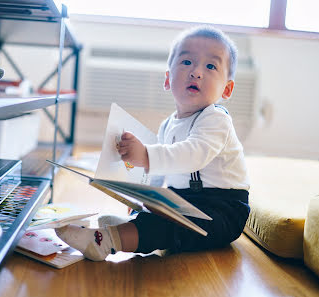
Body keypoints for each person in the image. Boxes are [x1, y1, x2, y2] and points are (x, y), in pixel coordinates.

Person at [56, 25, 250, 261]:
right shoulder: (168, 124)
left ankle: (105, 240)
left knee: (170, 229)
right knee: (160, 216)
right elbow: (159, 177)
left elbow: (192, 154)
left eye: (211, 66)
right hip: (186, 200)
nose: (196, 72)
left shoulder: (216, 119)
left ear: (227, 89)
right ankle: (126, 228)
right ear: (168, 79)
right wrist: (144, 200)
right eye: (187, 62)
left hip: (222, 211)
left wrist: (147, 155)